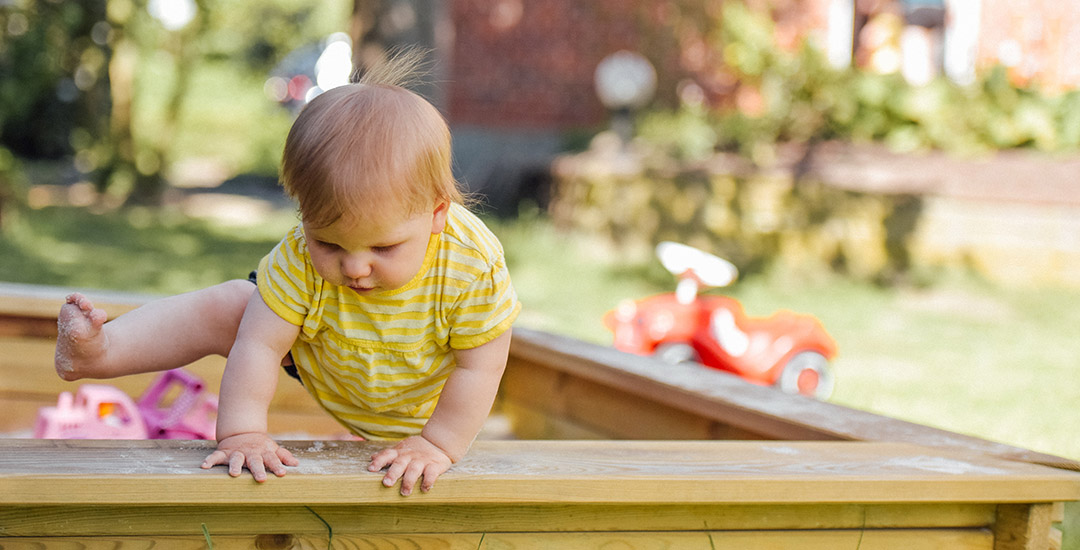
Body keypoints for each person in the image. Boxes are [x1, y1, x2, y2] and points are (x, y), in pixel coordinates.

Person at [53, 50, 521, 496]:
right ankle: (100, 352)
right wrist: (242, 433)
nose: (355, 267)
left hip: (427, 399)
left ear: (437, 214)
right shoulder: (297, 256)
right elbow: (259, 346)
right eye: (329, 243)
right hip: (331, 357)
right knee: (235, 305)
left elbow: (481, 365)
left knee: (461, 382)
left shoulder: (469, 265)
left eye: (384, 246)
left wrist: (437, 443)